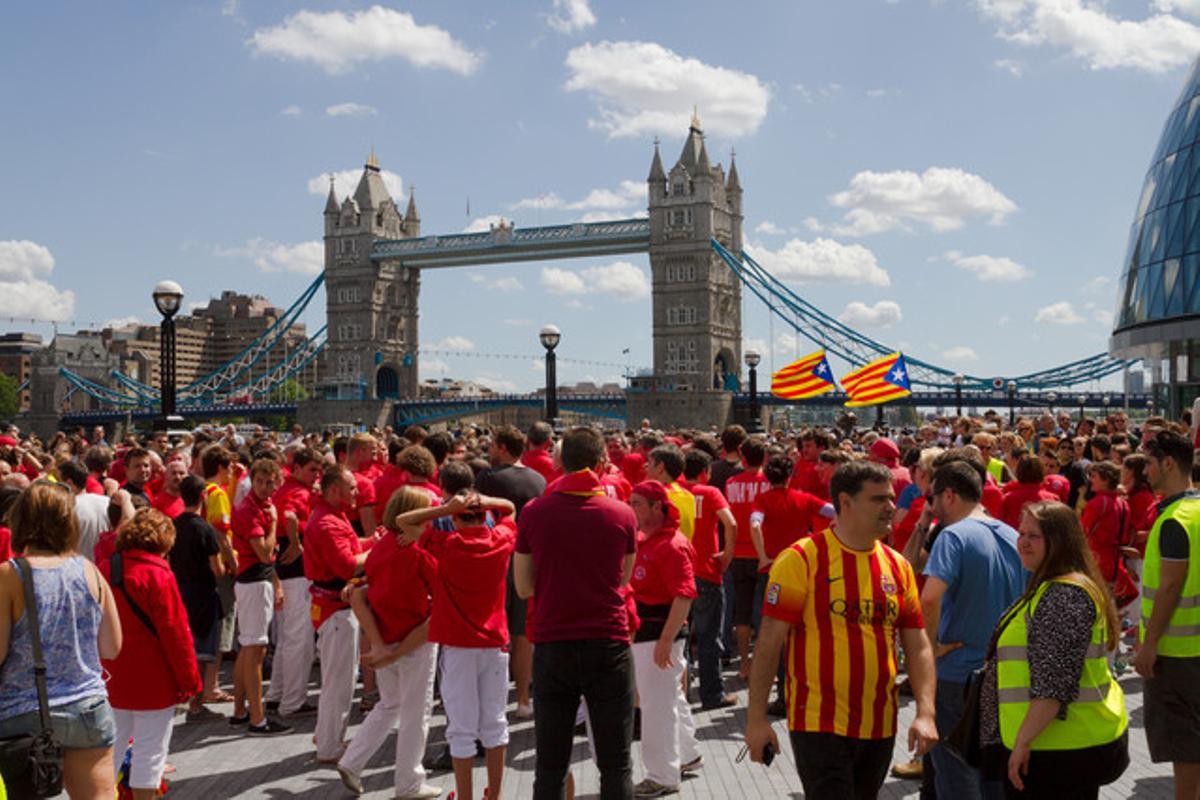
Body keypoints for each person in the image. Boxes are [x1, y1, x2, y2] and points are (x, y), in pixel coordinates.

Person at [745, 461, 938, 798]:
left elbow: (918, 644)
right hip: (819, 722)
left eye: (891, 498)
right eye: (878, 499)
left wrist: (925, 712)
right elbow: (769, 643)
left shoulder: (898, 566)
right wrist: (756, 719)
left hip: (880, 722)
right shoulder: (802, 559)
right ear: (845, 503)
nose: (891, 507)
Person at [515, 426, 639, 800]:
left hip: (554, 643)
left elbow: (523, 587)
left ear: (560, 463)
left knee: (550, 766)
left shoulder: (535, 513)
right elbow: (624, 578)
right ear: (601, 462)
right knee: (616, 765)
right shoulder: (622, 514)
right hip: (608, 643)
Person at [977, 502, 1129, 798]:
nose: (1023, 542)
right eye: (1021, 533)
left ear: (1059, 542)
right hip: (1056, 747)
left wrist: (1022, 742)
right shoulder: (1055, 587)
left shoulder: (1064, 595)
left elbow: (1052, 687)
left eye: (1034, 536)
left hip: (1056, 752)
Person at [0, 481, 123, 799]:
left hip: (24, 711)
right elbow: (111, 646)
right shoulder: (89, 571)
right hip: (87, 706)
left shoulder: (9, 576)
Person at [922, 459, 1027, 800]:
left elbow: (929, 599)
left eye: (932, 496)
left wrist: (930, 647)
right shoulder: (1012, 535)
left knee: (956, 776)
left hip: (957, 674)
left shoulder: (952, 536)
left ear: (949, 495)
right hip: (1004, 673)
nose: (931, 504)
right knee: (993, 775)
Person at [336, 487, 441, 800]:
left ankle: (353, 761)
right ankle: (409, 782)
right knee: (415, 712)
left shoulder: (381, 548)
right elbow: (443, 595)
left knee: (390, 704)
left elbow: (365, 581)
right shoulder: (418, 555)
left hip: (385, 634)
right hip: (413, 640)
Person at [419, 489, 517, 800]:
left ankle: (465, 797)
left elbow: (403, 523)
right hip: (494, 643)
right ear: (485, 516)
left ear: (456, 519)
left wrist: (444, 509)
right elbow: (511, 509)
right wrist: (487, 502)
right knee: (495, 722)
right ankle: (496, 794)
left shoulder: (446, 545)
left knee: (461, 728)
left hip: (458, 645)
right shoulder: (500, 540)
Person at [99, 508, 202, 799]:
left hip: (112, 675)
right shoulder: (159, 575)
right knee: (150, 753)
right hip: (154, 680)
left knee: (110, 750)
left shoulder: (106, 568)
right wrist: (190, 682)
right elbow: (176, 634)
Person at [1134, 430, 1200, 798]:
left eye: (1148, 462)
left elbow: (1171, 587)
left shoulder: (1175, 519)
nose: (1145, 471)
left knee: (1184, 744)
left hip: (1178, 655)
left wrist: (1149, 644)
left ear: (1168, 463)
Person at [627, 481, 700, 798]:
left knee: (656, 706)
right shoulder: (650, 540)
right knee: (667, 699)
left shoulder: (671, 545)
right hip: (650, 632)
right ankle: (686, 754)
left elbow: (684, 596)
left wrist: (666, 640)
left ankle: (662, 775)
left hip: (657, 632)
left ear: (658, 506)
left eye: (638, 503)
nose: (632, 509)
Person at [476, 425, 546, 720]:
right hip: (529, 562)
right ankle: (523, 700)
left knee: (494, 633)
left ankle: (490, 704)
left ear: (503, 448)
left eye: (492, 445)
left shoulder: (487, 479)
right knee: (522, 633)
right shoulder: (539, 480)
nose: (489, 450)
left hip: (497, 561)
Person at [305, 465, 374, 763]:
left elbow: (351, 547)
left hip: (336, 608)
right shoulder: (327, 522)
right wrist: (377, 551)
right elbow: (346, 565)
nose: (357, 492)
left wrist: (372, 542)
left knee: (339, 678)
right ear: (335, 490)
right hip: (336, 609)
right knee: (339, 681)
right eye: (352, 488)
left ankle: (328, 735)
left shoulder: (331, 516)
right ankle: (330, 746)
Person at [229, 458, 289, 735]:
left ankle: (242, 711)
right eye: (261, 481)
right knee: (255, 651)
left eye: (270, 482)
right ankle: (257, 717)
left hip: (256, 579)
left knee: (249, 649)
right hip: (253, 581)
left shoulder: (257, 507)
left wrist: (275, 583)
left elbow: (266, 560)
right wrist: (275, 522)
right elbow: (265, 553)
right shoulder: (253, 510)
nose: (266, 487)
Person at [266, 447, 322, 718]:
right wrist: (298, 542)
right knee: (298, 639)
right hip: (297, 569)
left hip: (286, 567)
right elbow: (288, 515)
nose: (315, 475)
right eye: (311, 469)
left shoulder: (286, 488)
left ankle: (277, 694)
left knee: (290, 637)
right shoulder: (297, 492)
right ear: (297, 468)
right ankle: (292, 701)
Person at [680, 449, 736, 710]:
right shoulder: (710, 493)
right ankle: (712, 695)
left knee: (681, 640)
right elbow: (731, 523)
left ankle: (681, 694)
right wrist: (727, 554)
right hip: (707, 571)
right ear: (706, 472)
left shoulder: (676, 493)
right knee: (708, 637)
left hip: (680, 574)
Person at [169, 475, 226, 721]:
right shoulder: (205, 529)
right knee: (203, 651)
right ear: (203, 496)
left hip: (180, 590)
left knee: (185, 646)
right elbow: (218, 569)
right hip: (203, 592)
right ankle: (196, 704)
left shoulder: (173, 525)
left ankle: (184, 698)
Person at [723, 437, 770, 679]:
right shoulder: (769, 484)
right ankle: (763, 664)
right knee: (765, 612)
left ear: (743, 458)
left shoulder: (731, 483)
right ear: (764, 458)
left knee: (741, 612)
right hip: (763, 554)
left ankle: (743, 664)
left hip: (738, 554)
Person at [60, 459, 110, 561]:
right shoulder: (107, 502)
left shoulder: (66, 508)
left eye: (59, 482)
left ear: (69, 483)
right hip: (102, 569)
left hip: (76, 569)